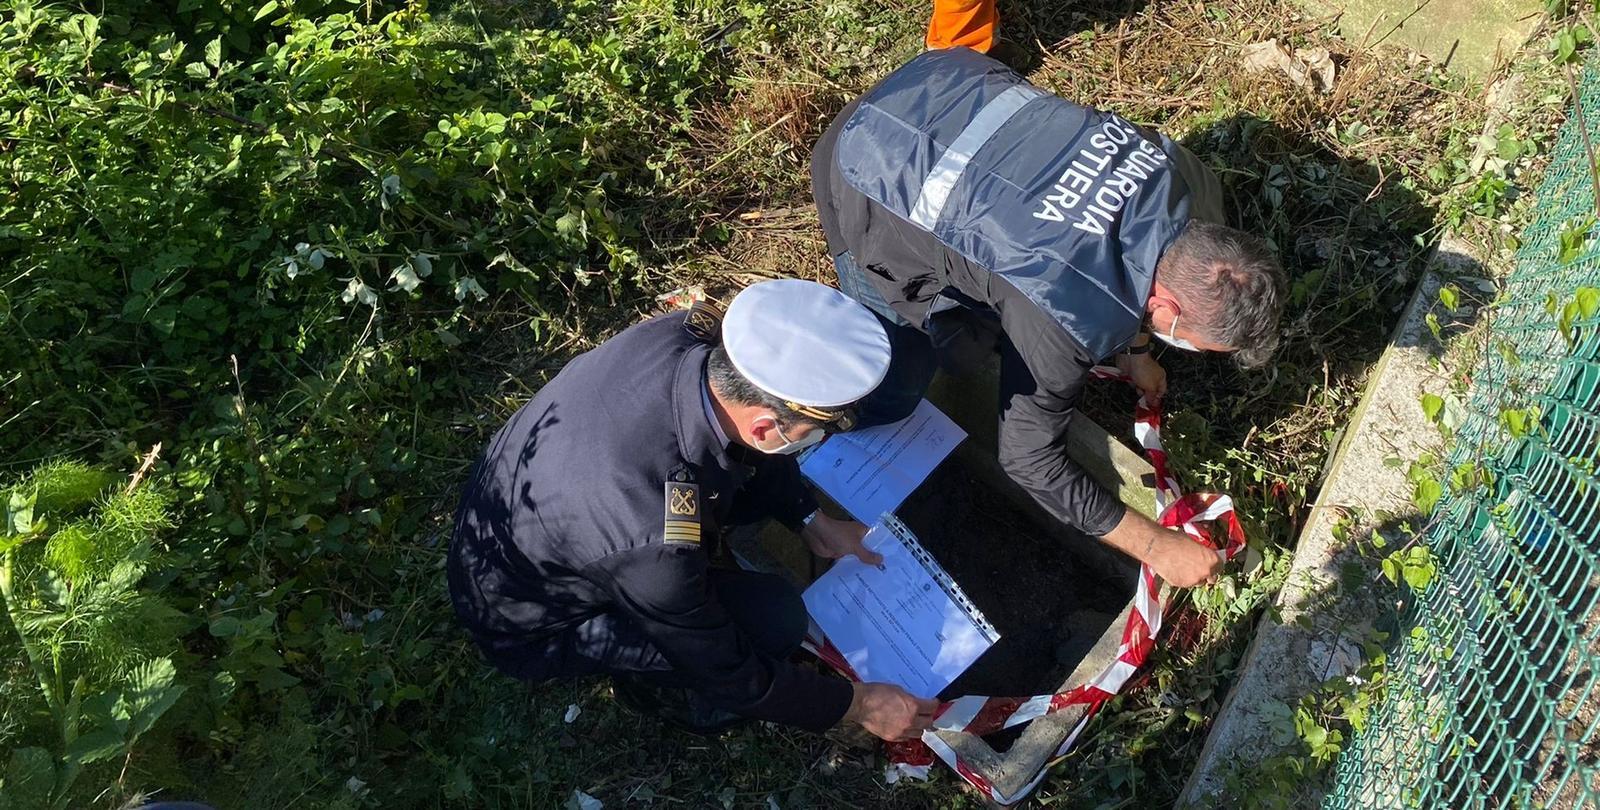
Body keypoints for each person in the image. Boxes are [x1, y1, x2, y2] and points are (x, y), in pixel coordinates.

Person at [811, 4, 1287, 589]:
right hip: (866, 169)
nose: (1180, 347)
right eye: (1191, 343)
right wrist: (1156, 545)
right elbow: (1030, 460)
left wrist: (1136, 352)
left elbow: (1136, 262)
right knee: (909, 362)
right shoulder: (1064, 309)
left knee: (978, 332)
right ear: (1168, 308)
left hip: (947, 82)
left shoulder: (1187, 180)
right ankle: (853, 420)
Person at [447, 279, 940, 740]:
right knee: (773, 621)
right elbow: (727, 668)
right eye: (819, 432)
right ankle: (661, 693)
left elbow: (746, 443)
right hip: (535, 621)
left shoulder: (683, 340)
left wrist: (810, 518)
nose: (820, 442)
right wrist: (855, 704)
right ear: (768, 428)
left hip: (549, 506)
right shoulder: (652, 539)